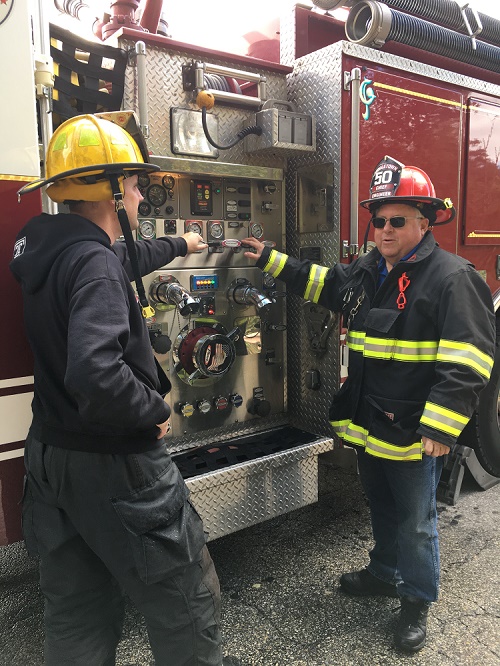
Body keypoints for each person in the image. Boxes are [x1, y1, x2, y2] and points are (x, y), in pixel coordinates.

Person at [243, 155, 496, 653]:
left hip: (414, 431)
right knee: (380, 506)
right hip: (370, 421)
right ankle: (383, 573)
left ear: (425, 222)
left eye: (397, 220)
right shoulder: (369, 268)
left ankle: (415, 602)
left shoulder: (451, 277)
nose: (384, 229)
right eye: (378, 219)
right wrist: (271, 260)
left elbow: (469, 359)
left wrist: (442, 428)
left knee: (417, 522)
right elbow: (326, 286)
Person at [10, 113, 225, 666]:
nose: (137, 194)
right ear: (109, 189)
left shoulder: (54, 252)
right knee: (186, 604)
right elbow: (95, 373)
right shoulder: (94, 266)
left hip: (52, 457)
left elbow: (124, 256)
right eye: (132, 183)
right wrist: (150, 409)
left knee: (76, 612)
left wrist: (181, 241)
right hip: (116, 466)